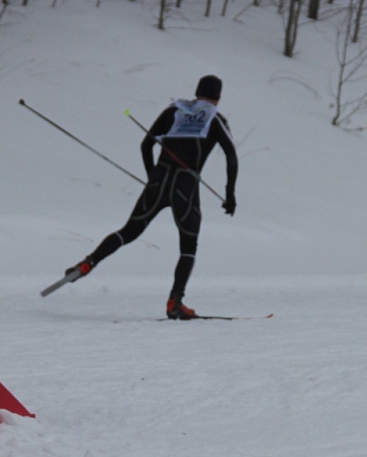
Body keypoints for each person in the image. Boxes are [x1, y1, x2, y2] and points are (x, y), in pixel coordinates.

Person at [62, 74, 239, 320]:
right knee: (188, 245)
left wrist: (152, 179)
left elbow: (146, 145)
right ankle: (175, 302)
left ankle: (88, 263)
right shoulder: (215, 119)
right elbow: (231, 156)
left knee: (129, 231)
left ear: (196, 91)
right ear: (218, 97)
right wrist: (230, 195)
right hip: (185, 186)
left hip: (159, 179)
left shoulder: (174, 111)